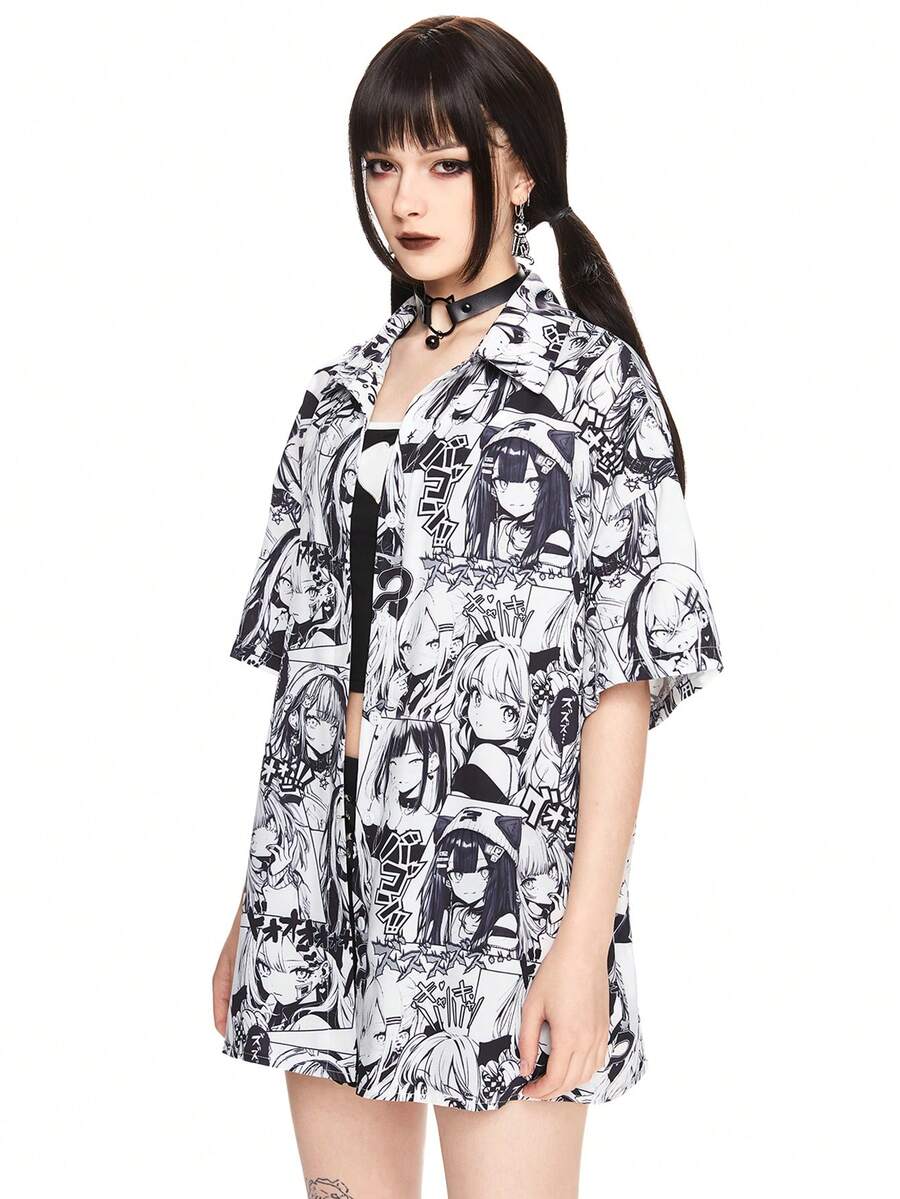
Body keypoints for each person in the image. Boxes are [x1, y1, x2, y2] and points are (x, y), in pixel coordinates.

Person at [212, 15, 724, 1199]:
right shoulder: (335, 394)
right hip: (314, 878)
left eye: (447, 162)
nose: (407, 197)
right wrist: (257, 903)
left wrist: (582, 940)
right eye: (382, 163)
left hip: (497, 881)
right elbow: (304, 670)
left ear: (522, 170)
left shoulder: (588, 382)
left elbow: (622, 680)